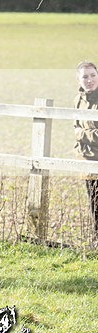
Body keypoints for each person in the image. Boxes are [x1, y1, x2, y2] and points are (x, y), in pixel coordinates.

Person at [74, 60, 98, 233]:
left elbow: (78, 132)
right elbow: (75, 126)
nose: (89, 80)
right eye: (85, 77)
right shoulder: (78, 101)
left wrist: (82, 134)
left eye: (93, 75)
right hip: (86, 159)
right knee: (94, 204)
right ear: (79, 79)